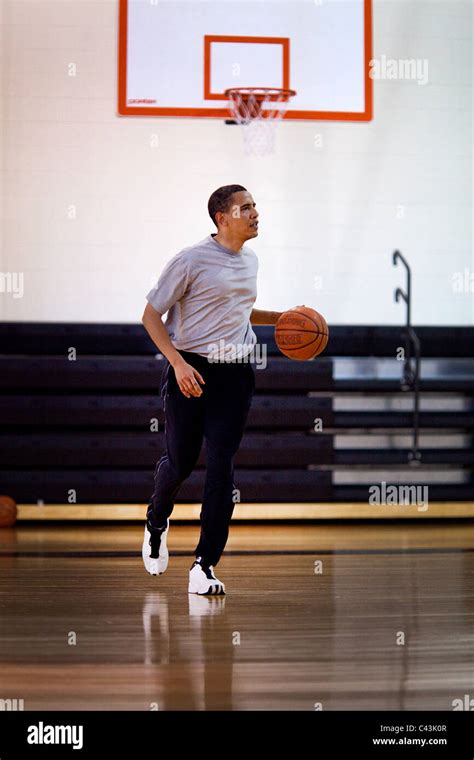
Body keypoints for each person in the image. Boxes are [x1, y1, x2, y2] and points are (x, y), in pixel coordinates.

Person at [141, 185, 282, 595]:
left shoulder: (250, 260)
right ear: (223, 218)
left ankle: (204, 565)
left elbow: (239, 309)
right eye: (246, 208)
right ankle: (156, 518)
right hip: (192, 369)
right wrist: (177, 363)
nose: (256, 213)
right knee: (181, 463)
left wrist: (285, 317)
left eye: (256, 205)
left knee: (222, 465)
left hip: (236, 372)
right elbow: (151, 315)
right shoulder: (190, 259)